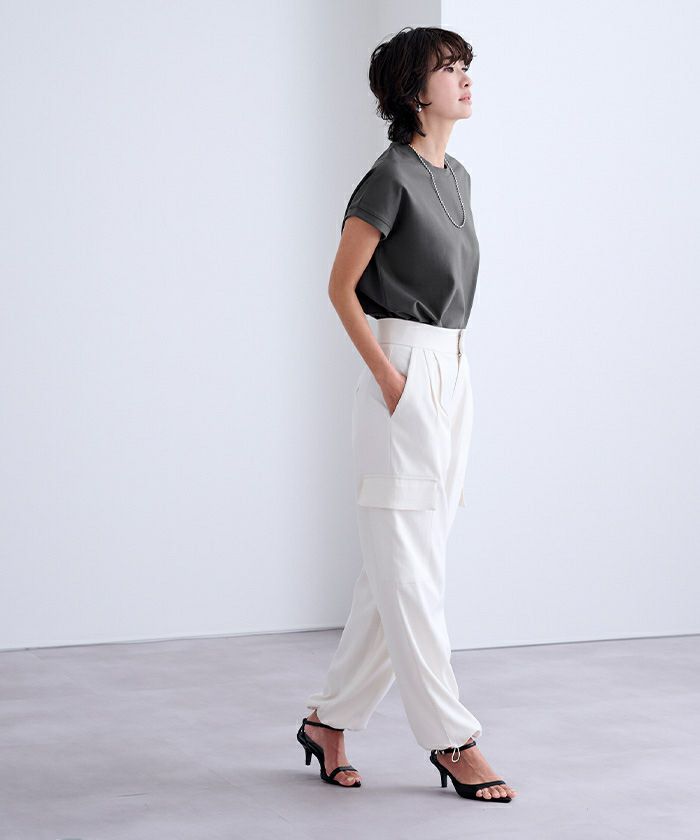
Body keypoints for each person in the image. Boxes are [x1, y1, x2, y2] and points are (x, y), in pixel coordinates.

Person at [296, 26, 517, 803]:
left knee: (397, 573)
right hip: (406, 371)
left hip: (453, 370)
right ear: (412, 91)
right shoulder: (388, 177)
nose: (464, 77)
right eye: (448, 68)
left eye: (466, 65)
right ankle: (452, 738)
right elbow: (340, 287)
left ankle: (328, 720)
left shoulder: (457, 178)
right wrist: (390, 379)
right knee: (412, 574)